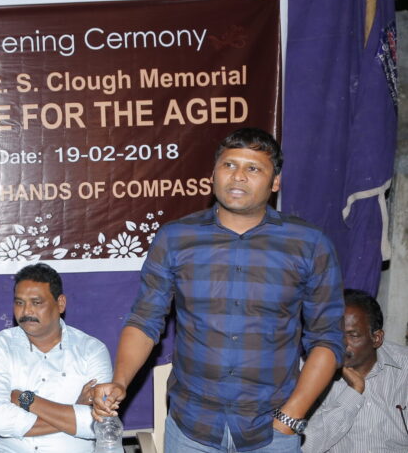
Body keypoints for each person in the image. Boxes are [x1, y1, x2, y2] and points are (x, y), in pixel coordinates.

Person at [91, 127, 345, 452]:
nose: (238, 176)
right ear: (213, 174)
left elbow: (327, 338)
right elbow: (144, 319)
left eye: (253, 168)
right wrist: (121, 381)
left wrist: (291, 418)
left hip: (271, 432)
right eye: (229, 165)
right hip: (191, 427)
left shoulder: (309, 244)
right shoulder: (175, 239)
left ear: (275, 182)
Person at [0, 263, 112, 453]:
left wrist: (27, 400)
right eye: (19, 303)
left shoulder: (92, 350)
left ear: (60, 304)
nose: (26, 312)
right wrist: (74, 410)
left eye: (36, 302)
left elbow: (100, 422)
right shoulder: (0, 347)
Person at [302, 289, 408, 452]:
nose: (340, 344)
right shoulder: (309, 370)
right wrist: (353, 392)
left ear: (376, 338)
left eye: (352, 335)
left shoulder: (404, 369)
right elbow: (304, 447)